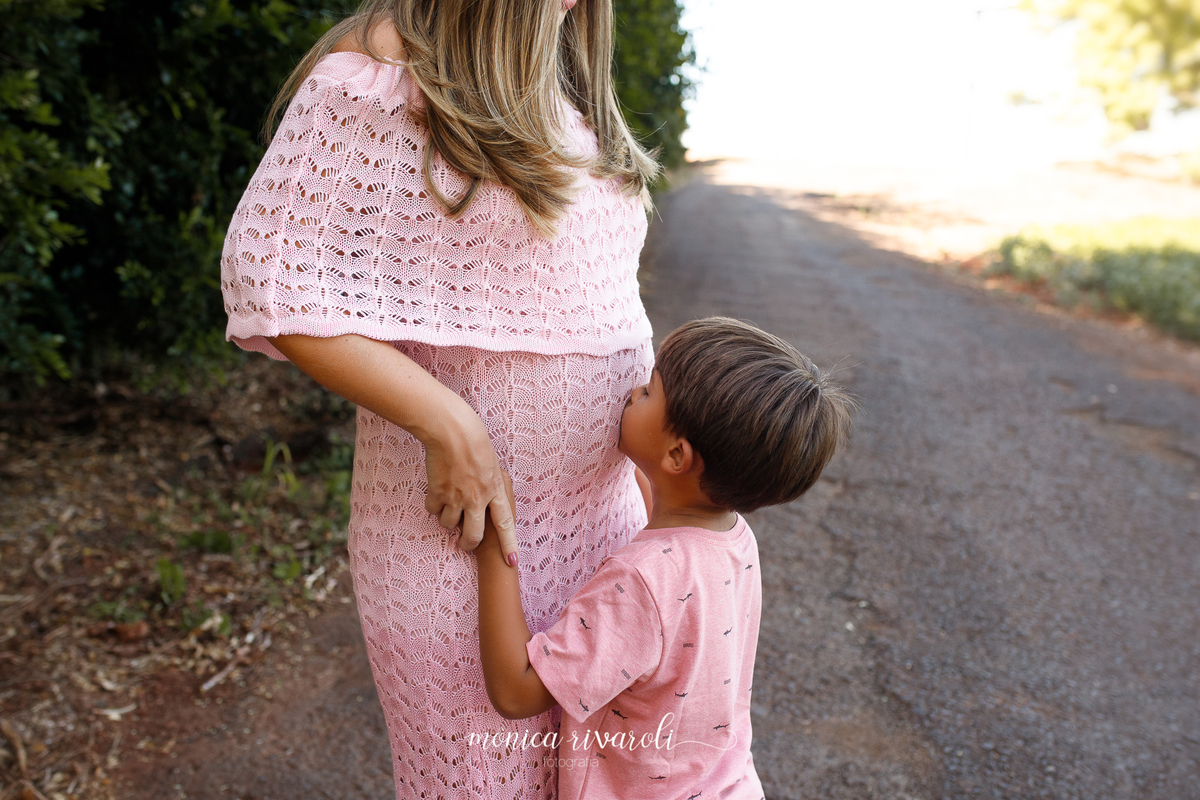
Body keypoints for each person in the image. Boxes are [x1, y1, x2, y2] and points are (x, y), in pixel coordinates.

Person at [219, 0, 660, 797]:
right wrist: (448, 422)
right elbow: (270, 276)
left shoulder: (562, 88)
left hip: (607, 532)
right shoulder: (388, 62)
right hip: (461, 543)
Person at [473, 317, 854, 800]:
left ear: (677, 456)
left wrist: (493, 548)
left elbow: (516, 692)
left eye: (650, 391)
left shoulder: (641, 581)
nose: (632, 391)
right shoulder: (735, 540)